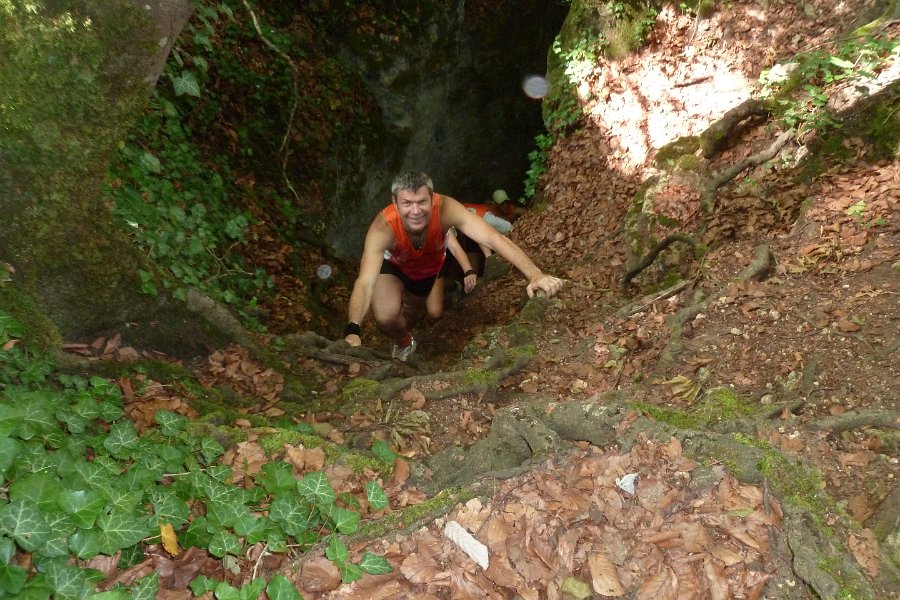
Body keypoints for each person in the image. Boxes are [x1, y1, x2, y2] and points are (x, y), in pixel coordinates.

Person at [343, 171, 563, 361]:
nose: (415, 211)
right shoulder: (383, 227)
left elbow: (492, 237)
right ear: (395, 202)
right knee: (385, 318)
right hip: (394, 265)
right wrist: (353, 329)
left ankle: (408, 335)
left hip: (426, 269)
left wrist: (535, 274)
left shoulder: (446, 208)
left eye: (422, 202)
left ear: (432, 198)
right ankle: (403, 342)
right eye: (407, 203)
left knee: (412, 313)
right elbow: (365, 281)